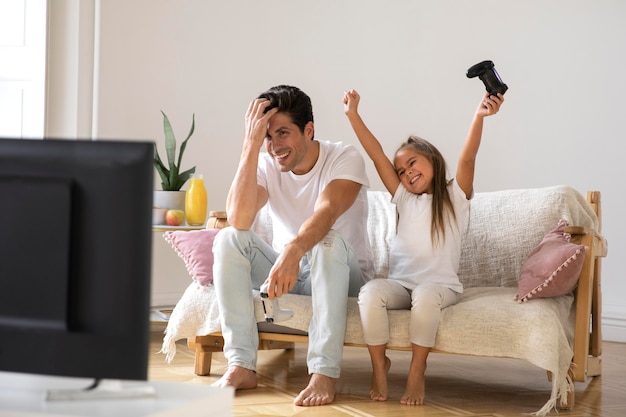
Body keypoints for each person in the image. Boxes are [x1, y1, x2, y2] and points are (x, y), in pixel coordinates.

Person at [211, 85, 374, 407]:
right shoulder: (264, 161)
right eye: (268, 136)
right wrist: (250, 144)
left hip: (342, 275)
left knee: (327, 241)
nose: (274, 146)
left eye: (283, 133)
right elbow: (239, 220)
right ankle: (241, 365)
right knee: (228, 237)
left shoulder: (344, 158)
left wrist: (292, 251)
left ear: (309, 130)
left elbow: (326, 212)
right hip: (289, 275)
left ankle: (324, 373)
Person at [342, 89, 504, 405]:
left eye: (412, 163)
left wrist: (479, 116)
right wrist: (353, 115)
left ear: (430, 158)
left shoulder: (455, 196)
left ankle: (417, 371)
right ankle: (379, 365)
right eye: (401, 171)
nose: (407, 173)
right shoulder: (403, 198)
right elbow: (376, 155)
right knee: (370, 293)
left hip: (440, 287)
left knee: (426, 295)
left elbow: (467, 156)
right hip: (402, 286)